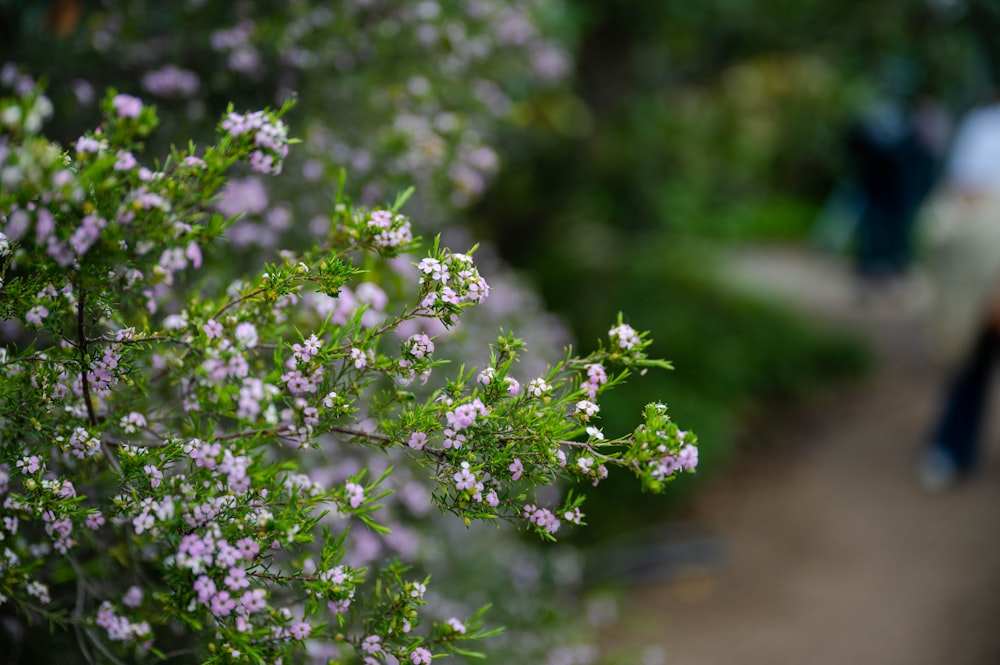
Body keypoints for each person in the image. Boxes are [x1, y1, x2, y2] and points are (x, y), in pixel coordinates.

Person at [918, 95, 1000, 491]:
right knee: (971, 359)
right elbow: (961, 192)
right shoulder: (985, 126)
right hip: (980, 261)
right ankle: (950, 450)